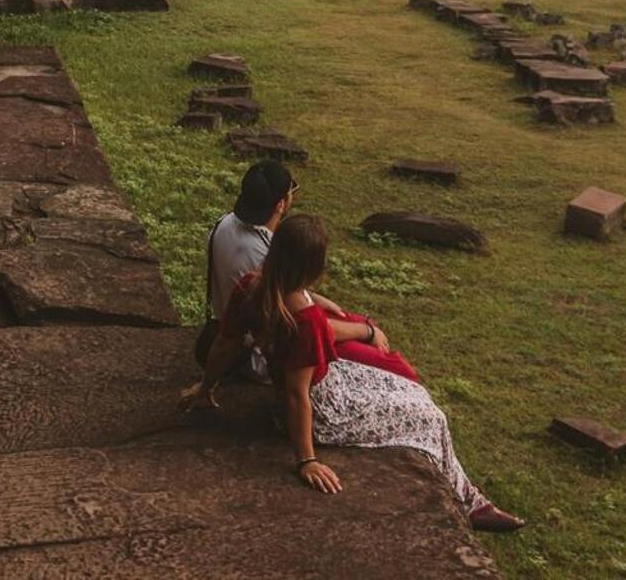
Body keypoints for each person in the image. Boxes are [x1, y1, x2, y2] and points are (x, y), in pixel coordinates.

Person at [182, 215, 524, 533]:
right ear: (313, 268)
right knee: (432, 417)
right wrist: (307, 460)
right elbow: (296, 393)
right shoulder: (306, 321)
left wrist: (205, 386)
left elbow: (224, 346)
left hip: (318, 385)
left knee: (414, 394)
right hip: (325, 410)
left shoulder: (251, 288)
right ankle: (471, 502)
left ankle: (470, 496)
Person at [196, 160, 418, 382]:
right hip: (262, 353)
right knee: (397, 367)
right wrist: (366, 331)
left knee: (356, 322)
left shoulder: (223, 225)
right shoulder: (267, 256)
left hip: (244, 324)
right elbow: (306, 328)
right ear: (281, 204)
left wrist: (318, 300)